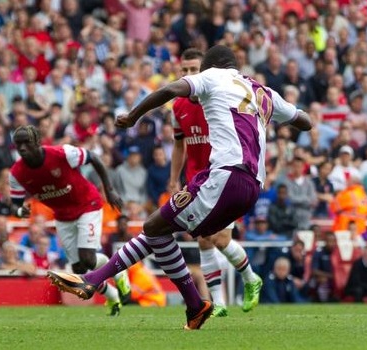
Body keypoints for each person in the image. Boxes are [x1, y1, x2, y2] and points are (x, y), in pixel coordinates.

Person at [48, 45, 312, 330]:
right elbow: (305, 122)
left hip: (224, 175)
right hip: (251, 187)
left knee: (155, 228)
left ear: (210, 67)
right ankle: (196, 307)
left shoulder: (213, 77)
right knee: (159, 229)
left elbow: (171, 89)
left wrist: (134, 116)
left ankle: (94, 280)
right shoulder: (263, 92)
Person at [167, 47, 265, 317]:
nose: (188, 75)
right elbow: (179, 145)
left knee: (219, 238)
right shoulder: (178, 106)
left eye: (193, 70)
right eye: (184, 70)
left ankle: (250, 276)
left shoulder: (221, 98)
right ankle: (219, 302)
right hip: (195, 179)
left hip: (225, 175)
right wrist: (174, 179)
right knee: (204, 241)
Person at [5, 125, 131, 316]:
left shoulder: (62, 153)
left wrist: (109, 189)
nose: (22, 148)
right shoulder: (17, 173)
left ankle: (119, 271)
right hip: (63, 216)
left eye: (26, 143)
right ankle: (113, 296)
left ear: (37, 142)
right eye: (18, 144)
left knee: (88, 258)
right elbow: (15, 204)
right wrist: (20, 210)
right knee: (79, 267)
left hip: (87, 204)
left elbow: (94, 158)